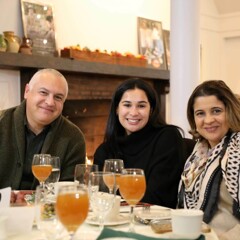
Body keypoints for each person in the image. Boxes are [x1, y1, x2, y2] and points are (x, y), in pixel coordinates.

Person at [94, 78, 190, 208]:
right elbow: (99, 200)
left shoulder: (167, 138)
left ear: (151, 110)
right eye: (127, 105)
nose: (133, 112)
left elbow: (158, 199)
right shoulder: (105, 151)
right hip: (115, 221)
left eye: (141, 106)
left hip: (156, 223)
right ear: (117, 109)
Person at [0, 69, 86, 190]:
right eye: (43, 92)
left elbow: (70, 190)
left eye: (58, 97)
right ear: (27, 91)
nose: (50, 102)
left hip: (47, 208)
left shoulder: (74, 138)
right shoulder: (2, 123)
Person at [178, 80, 240, 240]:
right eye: (200, 113)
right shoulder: (198, 153)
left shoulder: (237, 150)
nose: (208, 120)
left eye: (216, 111)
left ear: (230, 112)